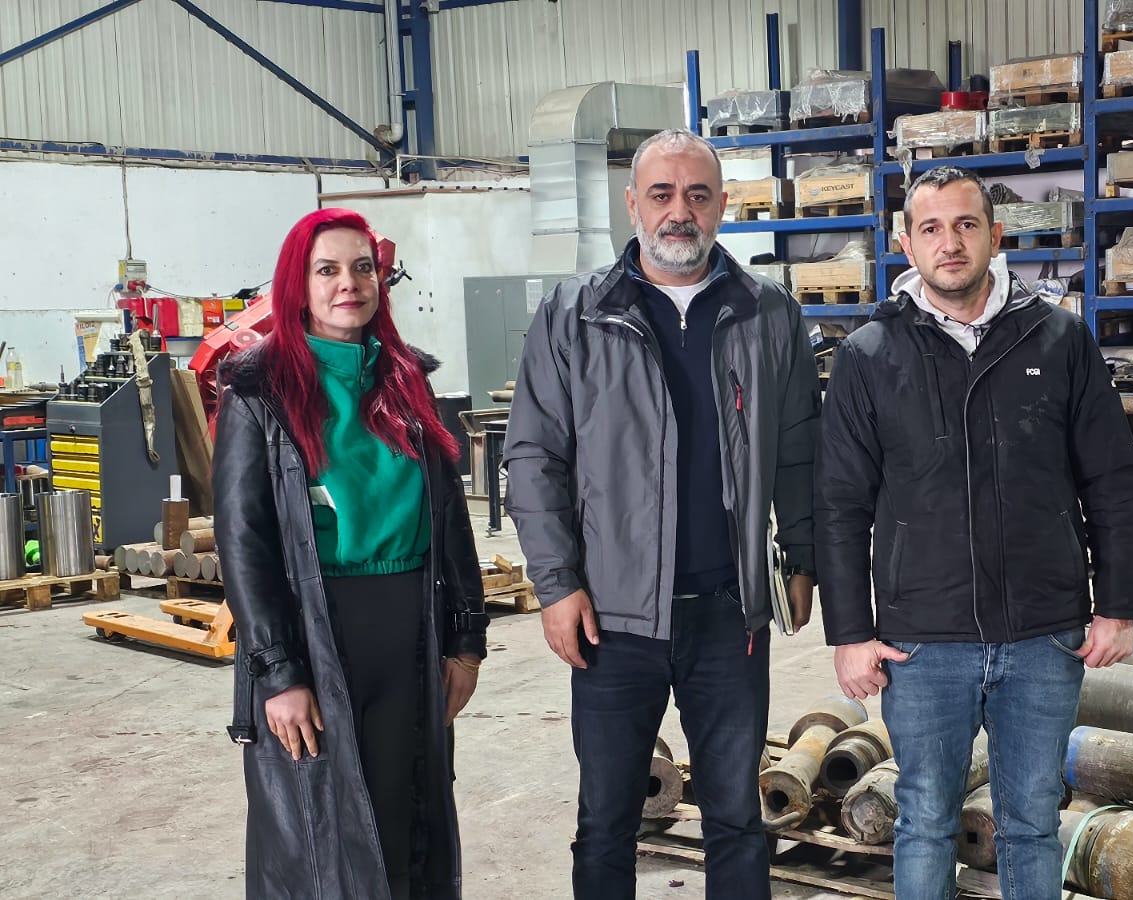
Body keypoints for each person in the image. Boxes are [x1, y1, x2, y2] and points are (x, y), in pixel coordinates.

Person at [503, 128, 821, 900]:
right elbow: (534, 459)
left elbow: (798, 451)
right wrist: (556, 585)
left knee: (736, 819)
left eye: (697, 195)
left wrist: (803, 555)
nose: (680, 211)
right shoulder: (573, 315)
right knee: (607, 822)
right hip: (611, 621)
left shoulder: (768, 313)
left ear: (721, 205)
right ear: (633, 205)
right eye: (662, 194)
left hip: (729, 615)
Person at [815, 166, 1133, 899]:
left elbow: (1111, 480)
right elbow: (840, 504)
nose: (951, 243)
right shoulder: (869, 355)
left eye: (966, 225)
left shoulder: (1059, 339)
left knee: (1031, 822)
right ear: (906, 245)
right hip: (923, 639)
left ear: (995, 235)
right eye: (931, 228)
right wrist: (850, 633)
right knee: (925, 821)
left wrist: (1119, 604)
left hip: (1042, 633)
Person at [214, 207, 490, 899]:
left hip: (408, 630)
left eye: (363, 268)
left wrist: (465, 641)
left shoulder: (407, 379)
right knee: (319, 841)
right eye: (328, 269)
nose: (349, 283)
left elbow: (449, 518)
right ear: (298, 285)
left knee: (402, 820)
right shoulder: (258, 390)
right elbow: (244, 542)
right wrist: (278, 673)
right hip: (314, 630)